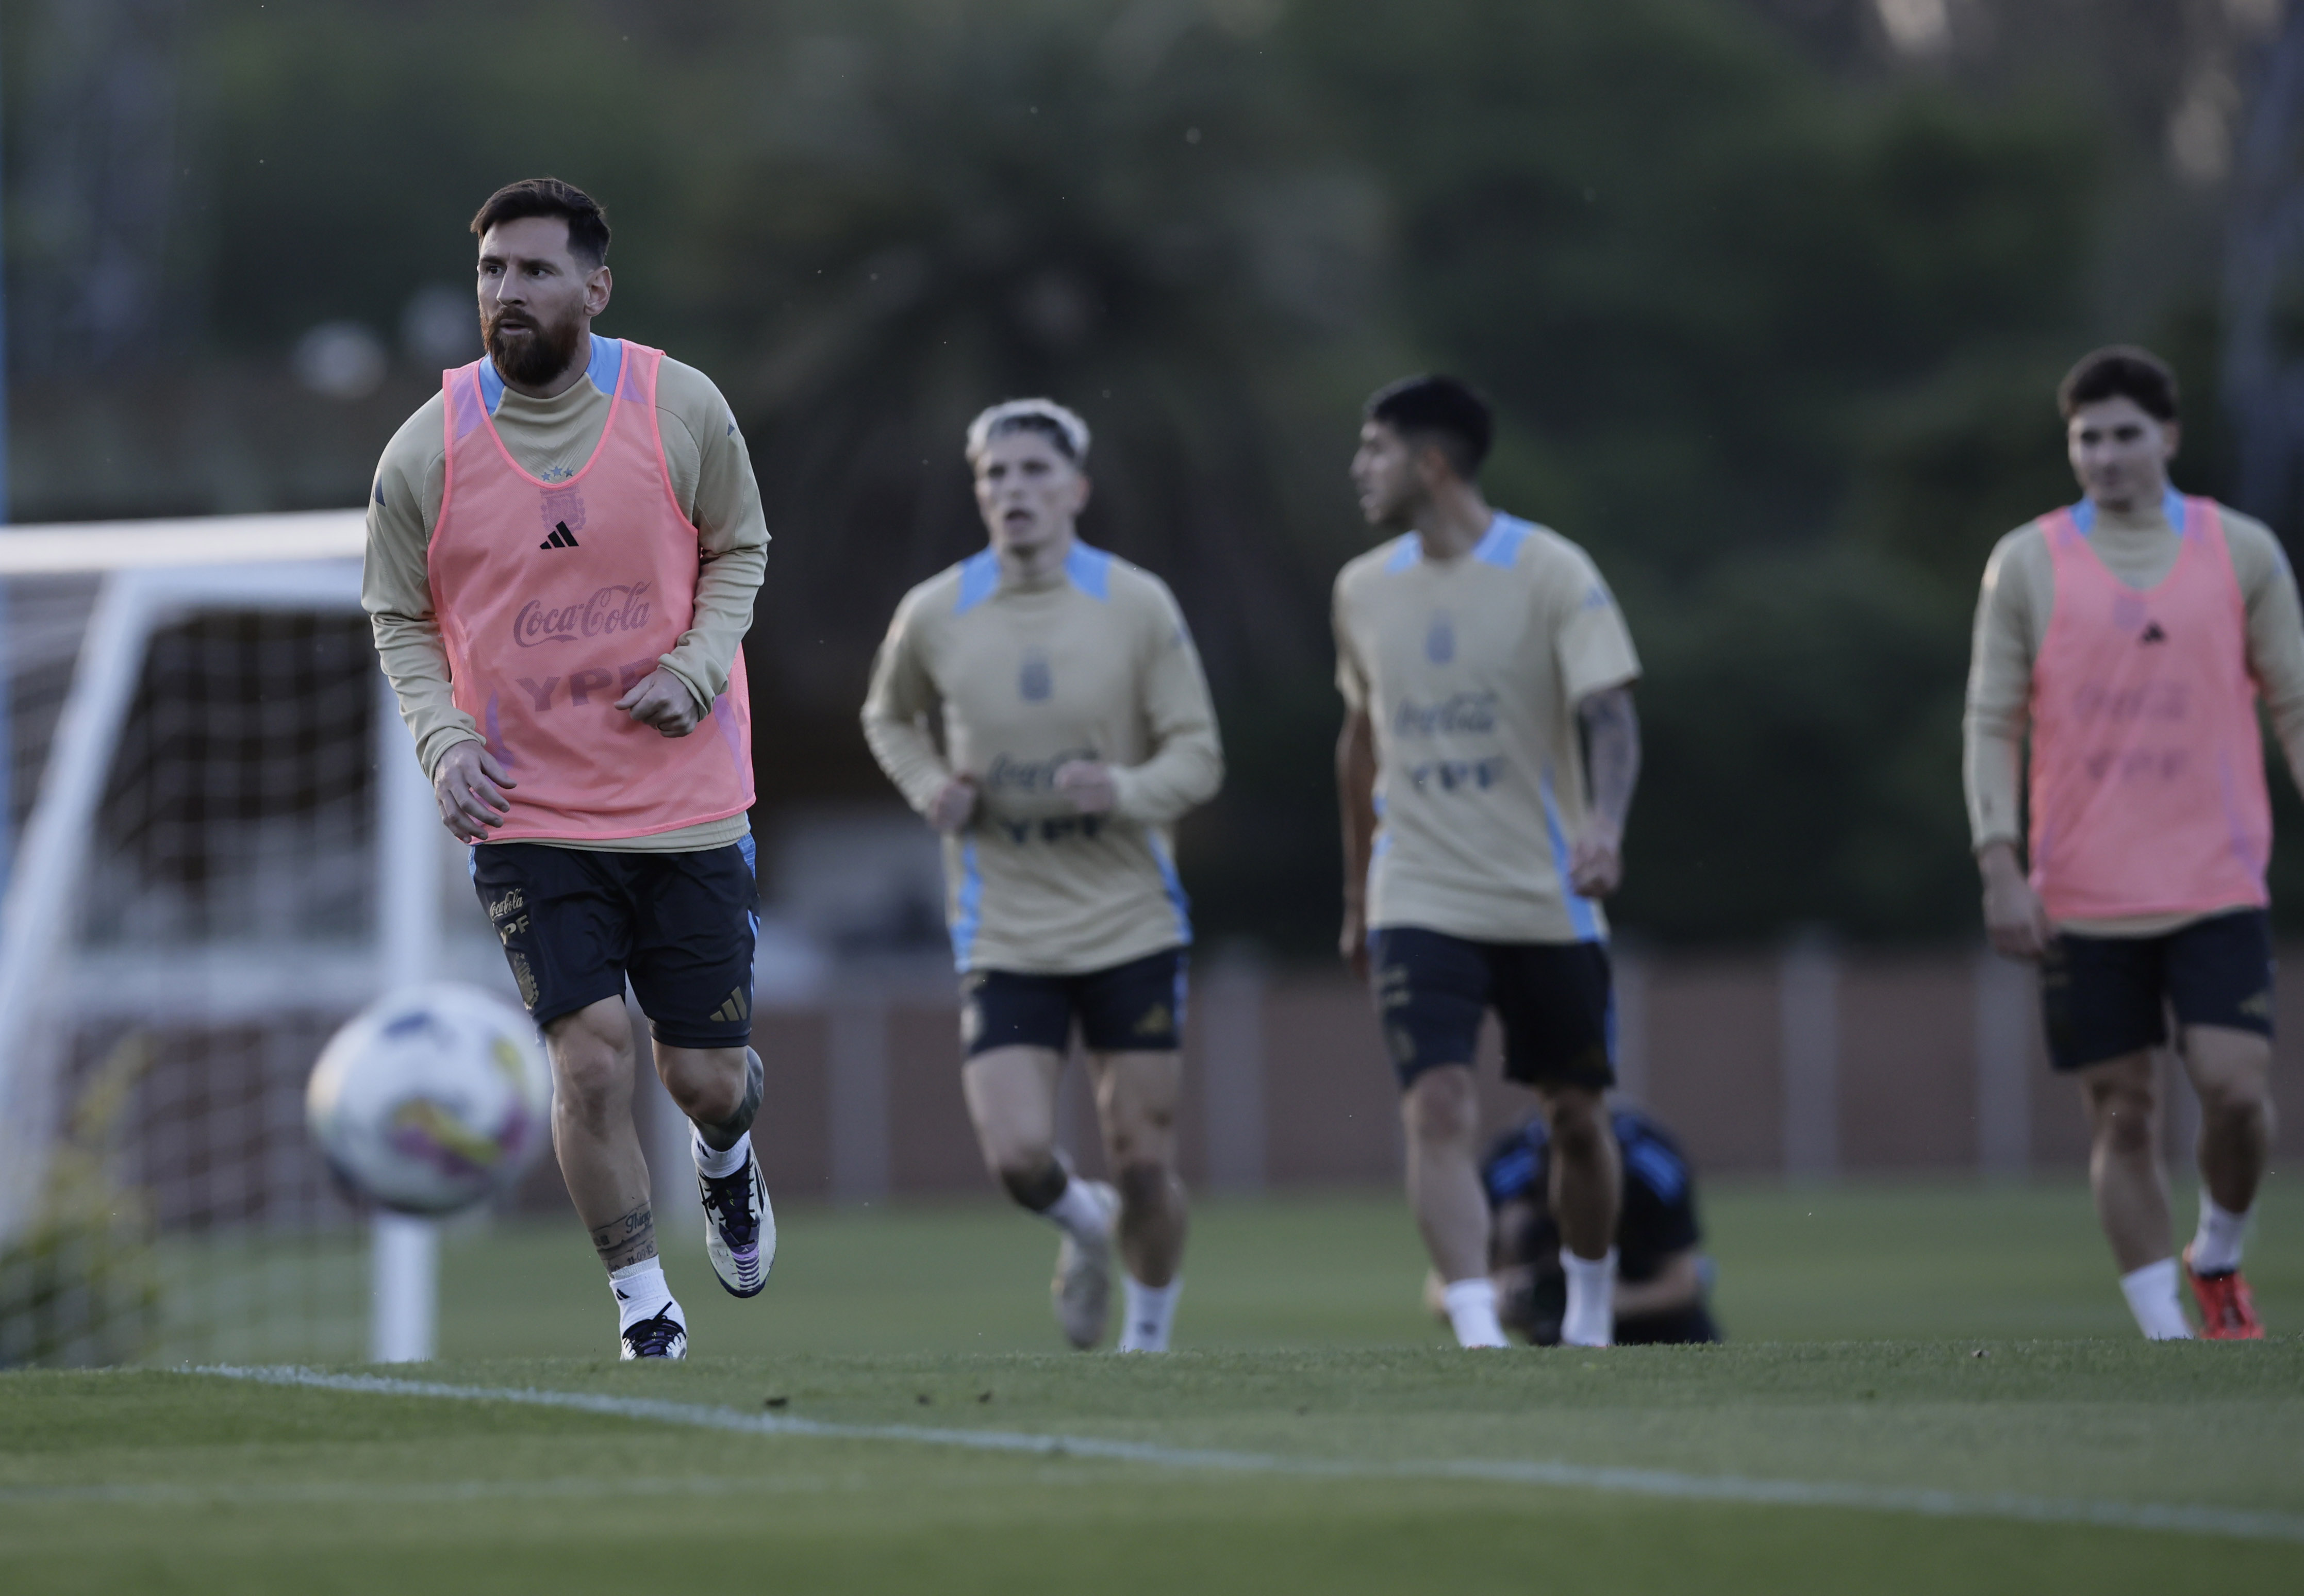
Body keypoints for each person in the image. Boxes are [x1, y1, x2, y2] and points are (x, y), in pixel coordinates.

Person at [364, 178, 773, 1360]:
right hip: (529, 810)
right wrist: (443, 741)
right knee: (589, 1057)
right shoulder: (426, 446)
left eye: (535, 271)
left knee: (704, 1076)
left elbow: (741, 543)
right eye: (492, 270)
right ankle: (644, 1304)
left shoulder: (678, 404)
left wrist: (697, 666)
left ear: (594, 288)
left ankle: (728, 1156)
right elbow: (394, 612)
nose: (508, 292)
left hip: (687, 800)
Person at [861, 399, 1223, 1353]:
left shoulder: (1136, 604)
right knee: (1019, 1157)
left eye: (1032, 472)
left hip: (1129, 919)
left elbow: (1200, 754)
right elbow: (886, 719)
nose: (1012, 490)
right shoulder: (935, 612)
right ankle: (1082, 1226)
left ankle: (1146, 1349)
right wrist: (929, 784)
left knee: (1145, 1161)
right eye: (994, 475)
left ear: (1076, 489)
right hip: (1005, 924)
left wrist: (1128, 787)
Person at [1965, 345, 2298, 1341]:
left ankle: (2219, 1254)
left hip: (2214, 878)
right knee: (2121, 1114)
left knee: (2235, 1093)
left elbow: (2291, 696)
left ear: (2167, 437)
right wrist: (1998, 863)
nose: (2104, 455)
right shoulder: (2024, 560)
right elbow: (1990, 720)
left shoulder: (2237, 551)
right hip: (2080, 890)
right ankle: (2164, 1337)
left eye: (2122, 434)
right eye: (2085, 437)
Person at [1333, 375, 1643, 1350]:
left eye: (1373, 448)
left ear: (1430, 463)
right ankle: (1476, 1333)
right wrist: (1355, 892)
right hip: (1416, 891)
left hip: (1543, 894)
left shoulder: (1551, 570)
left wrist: (1603, 823)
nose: (1358, 468)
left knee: (1576, 1119)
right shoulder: (1360, 589)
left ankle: (1588, 1314)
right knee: (1435, 1102)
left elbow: (1610, 713)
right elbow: (1356, 742)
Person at [1425, 1104, 1720, 1346]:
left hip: (1663, 1335)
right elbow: (1440, 1291)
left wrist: (1615, 1302)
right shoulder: (1507, 1168)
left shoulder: (1652, 1168)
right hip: (1552, 1343)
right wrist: (1498, 1298)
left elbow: (1685, 1281)